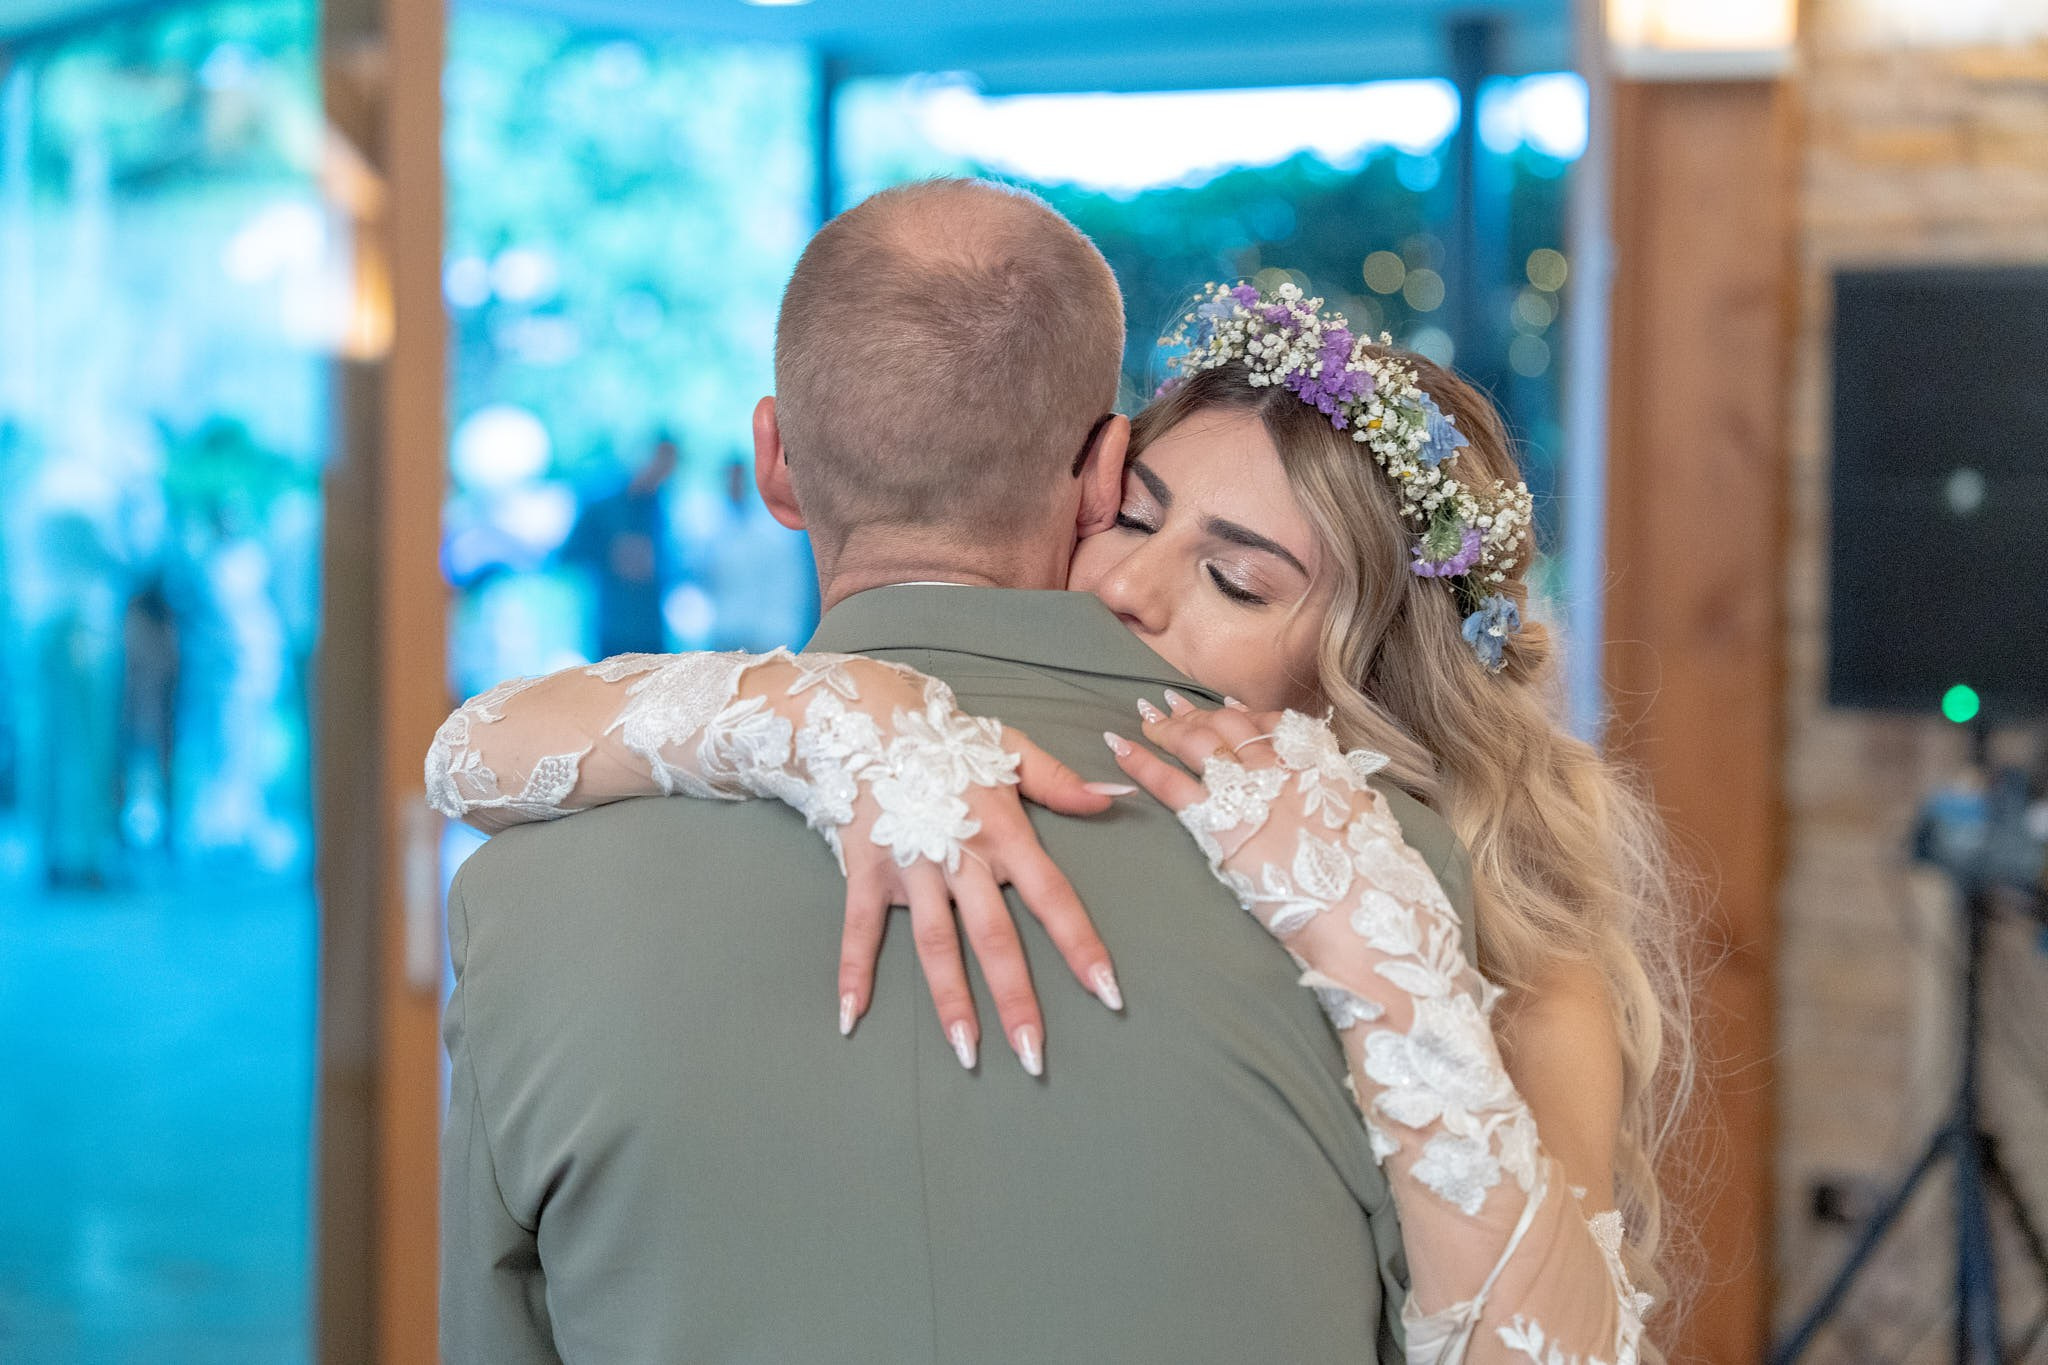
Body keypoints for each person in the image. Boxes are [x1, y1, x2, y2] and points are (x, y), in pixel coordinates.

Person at [433, 180, 1689, 1363]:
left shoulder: (1436, 908)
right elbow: (471, 752)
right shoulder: (831, 744)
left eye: (1236, 580)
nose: (1129, 587)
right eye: (1133, 517)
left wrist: (1378, 945)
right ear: (1095, 479)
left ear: (1366, 669)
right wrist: (821, 712)